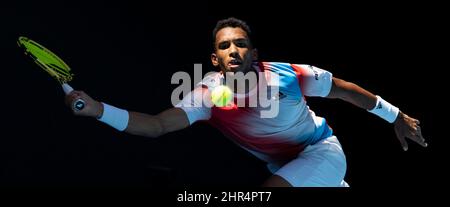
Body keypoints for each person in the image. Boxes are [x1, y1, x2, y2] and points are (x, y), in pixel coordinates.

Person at [65, 17, 427, 187]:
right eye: (224, 46)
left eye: (240, 43)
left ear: (253, 52)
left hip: (320, 150)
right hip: (286, 167)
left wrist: (394, 116)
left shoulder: (287, 75)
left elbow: (345, 90)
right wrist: (99, 111)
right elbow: (158, 125)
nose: (233, 49)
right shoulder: (210, 95)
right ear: (215, 59)